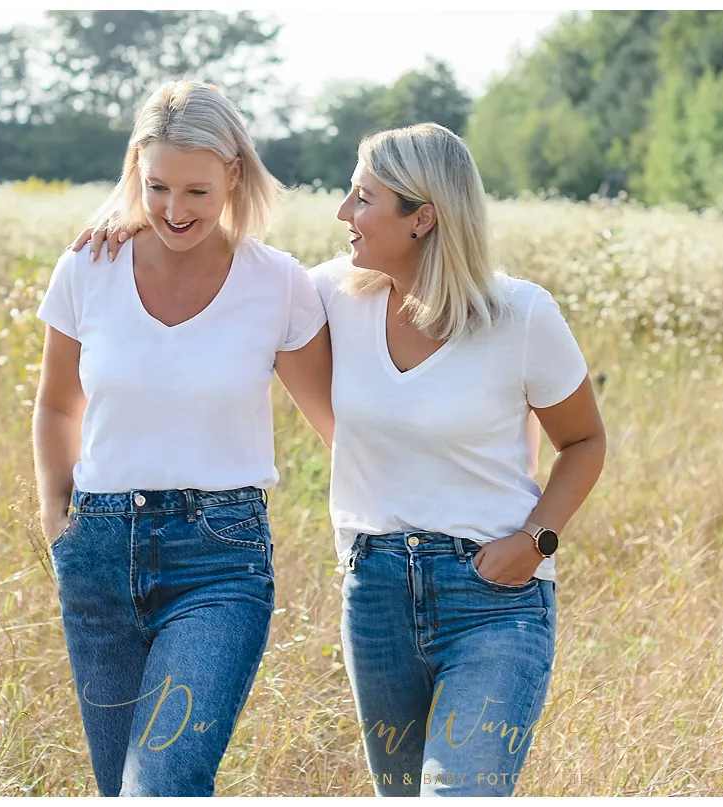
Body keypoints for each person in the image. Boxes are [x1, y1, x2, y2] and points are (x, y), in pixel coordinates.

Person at [78, 122, 605, 797]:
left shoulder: (520, 314)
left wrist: (536, 541)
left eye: (362, 198)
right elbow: (214, 253)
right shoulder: (329, 292)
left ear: (423, 218)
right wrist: (125, 222)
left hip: (494, 601)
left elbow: (585, 442)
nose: (342, 214)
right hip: (376, 591)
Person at [33, 79, 332, 797]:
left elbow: (338, 421)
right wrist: (57, 519)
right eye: (158, 185)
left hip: (219, 562)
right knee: (119, 788)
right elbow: (55, 404)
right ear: (136, 168)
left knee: (161, 780)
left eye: (197, 191)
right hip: (98, 551)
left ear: (233, 173)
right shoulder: (87, 267)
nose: (174, 210)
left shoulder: (278, 283)